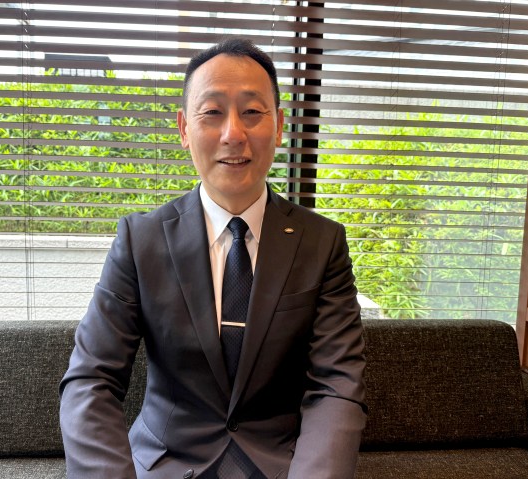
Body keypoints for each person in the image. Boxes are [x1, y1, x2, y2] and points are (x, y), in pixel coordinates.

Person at [59, 37, 366, 479]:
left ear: (279, 125)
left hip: (281, 466)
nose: (233, 134)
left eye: (252, 111)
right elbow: (91, 379)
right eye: (212, 112)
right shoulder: (140, 240)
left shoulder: (322, 243)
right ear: (185, 128)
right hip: (166, 463)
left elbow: (336, 387)